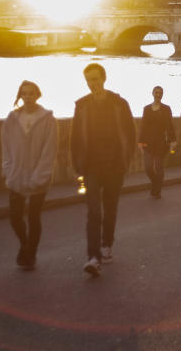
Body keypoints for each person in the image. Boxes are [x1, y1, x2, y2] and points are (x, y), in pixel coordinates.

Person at [71, 63, 136, 277]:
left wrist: (126, 161)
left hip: (114, 164)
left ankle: (107, 244)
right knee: (93, 212)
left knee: (110, 209)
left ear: (104, 79)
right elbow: (75, 138)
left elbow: (130, 133)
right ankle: (93, 257)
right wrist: (77, 166)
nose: (93, 83)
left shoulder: (119, 103)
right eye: (89, 80)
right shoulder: (81, 106)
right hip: (91, 166)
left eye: (96, 79)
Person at [0, 80, 58, 270]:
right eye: (24, 93)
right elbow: (6, 148)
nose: (28, 97)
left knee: (34, 218)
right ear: (20, 96)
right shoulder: (12, 118)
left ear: (37, 95)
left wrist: (39, 176)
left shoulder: (48, 119)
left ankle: (30, 254)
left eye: (31, 93)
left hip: (38, 178)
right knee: (15, 217)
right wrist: (8, 170)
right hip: (16, 176)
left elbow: (50, 151)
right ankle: (25, 245)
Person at [138, 85, 176, 199]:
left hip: (161, 142)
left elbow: (170, 125)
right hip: (148, 143)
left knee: (159, 167)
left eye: (160, 93)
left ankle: (157, 190)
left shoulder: (166, 108)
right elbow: (143, 126)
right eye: (156, 92)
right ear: (152, 93)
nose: (158, 94)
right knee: (148, 167)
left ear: (162, 94)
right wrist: (140, 142)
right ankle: (156, 183)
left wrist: (172, 140)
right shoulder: (146, 108)